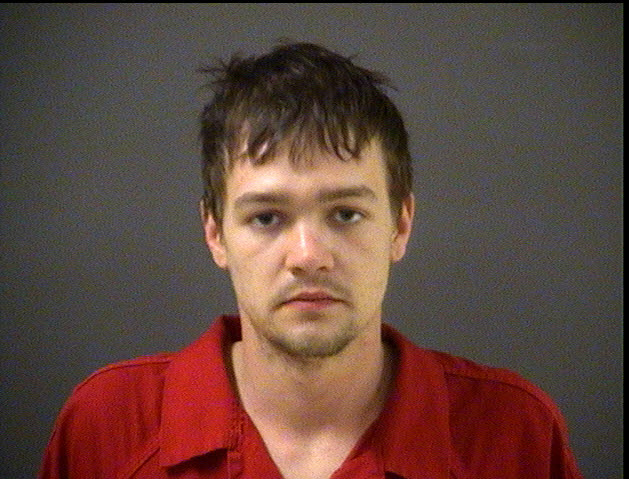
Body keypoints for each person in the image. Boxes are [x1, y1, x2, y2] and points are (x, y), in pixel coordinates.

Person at [38, 42, 583, 479]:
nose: (308, 257)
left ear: (400, 226)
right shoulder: (107, 423)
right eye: (266, 217)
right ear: (215, 233)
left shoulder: (516, 432)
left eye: (345, 214)